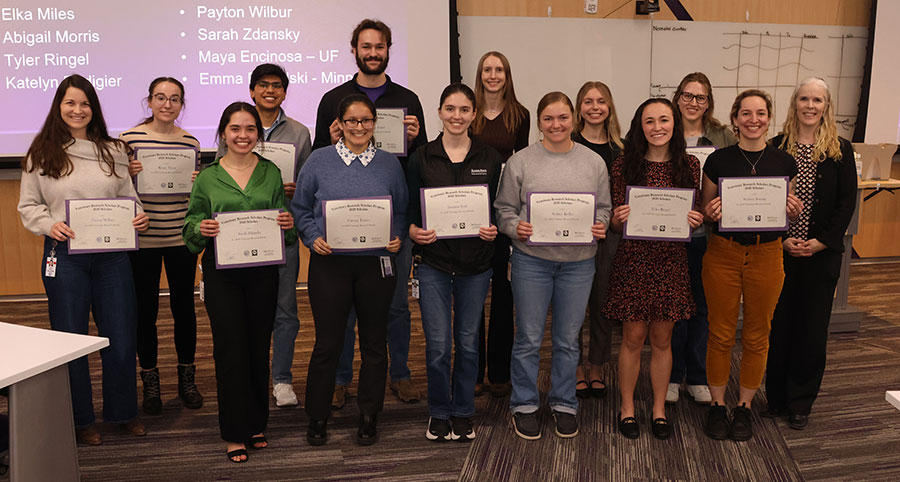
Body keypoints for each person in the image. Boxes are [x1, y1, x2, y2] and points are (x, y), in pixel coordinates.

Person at [17, 74, 149, 445]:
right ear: (59, 107)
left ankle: (123, 413)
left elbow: (128, 197)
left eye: (85, 103)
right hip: (66, 258)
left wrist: (140, 215)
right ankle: (80, 420)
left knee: (122, 338)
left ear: (94, 109)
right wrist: (48, 224)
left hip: (112, 258)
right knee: (70, 339)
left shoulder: (113, 150)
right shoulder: (40, 153)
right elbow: (29, 205)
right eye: (71, 103)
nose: (78, 110)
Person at [313, 19, 427, 407]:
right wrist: (331, 141)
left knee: (395, 306)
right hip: (341, 227)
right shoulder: (333, 99)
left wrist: (412, 141)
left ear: (388, 49)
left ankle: (400, 374)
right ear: (355, 50)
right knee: (342, 310)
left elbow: (422, 162)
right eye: (366, 46)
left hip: (392, 225)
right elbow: (316, 157)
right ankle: (341, 379)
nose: (373, 52)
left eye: (379, 46)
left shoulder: (408, 98)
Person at [183, 102, 296, 463]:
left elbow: (284, 218)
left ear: (258, 134)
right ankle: (234, 431)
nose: (243, 135)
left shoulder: (271, 172)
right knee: (230, 349)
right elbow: (191, 224)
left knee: (258, 346)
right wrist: (201, 228)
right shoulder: (207, 177)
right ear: (223, 133)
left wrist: (287, 225)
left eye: (250, 129)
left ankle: (256, 423)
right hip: (223, 275)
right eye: (235, 129)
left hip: (263, 272)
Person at [495, 92, 611, 440]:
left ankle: (564, 403)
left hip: (578, 265)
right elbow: (503, 210)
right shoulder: (521, 162)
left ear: (573, 120)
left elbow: (603, 207)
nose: (556, 125)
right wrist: (517, 227)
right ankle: (525, 404)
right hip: (532, 262)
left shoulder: (593, 162)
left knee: (567, 341)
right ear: (539, 122)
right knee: (529, 338)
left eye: (562, 118)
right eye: (548, 119)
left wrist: (600, 224)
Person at [295, 94, 407, 446]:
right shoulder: (319, 160)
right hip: (330, 264)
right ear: (339, 124)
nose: (359, 128)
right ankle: (317, 416)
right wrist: (312, 238)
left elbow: (401, 210)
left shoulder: (389, 164)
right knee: (328, 343)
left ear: (375, 123)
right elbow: (301, 208)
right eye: (352, 121)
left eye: (366, 121)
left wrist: (397, 237)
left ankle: (369, 413)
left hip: (377, 264)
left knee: (375, 342)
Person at [700, 89, 803, 442]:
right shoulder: (718, 160)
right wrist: (711, 213)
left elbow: (786, 208)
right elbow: (705, 209)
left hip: (767, 254)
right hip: (723, 254)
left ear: (769, 118)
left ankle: (743, 406)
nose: (753, 120)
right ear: (735, 119)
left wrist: (793, 210)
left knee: (759, 334)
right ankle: (717, 404)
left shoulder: (784, 162)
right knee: (721, 332)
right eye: (746, 113)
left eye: (760, 113)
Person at [407, 83, 503, 442]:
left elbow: (497, 207)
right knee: (437, 346)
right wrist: (415, 231)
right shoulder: (422, 157)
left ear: (474, 115)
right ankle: (438, 412)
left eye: (464, 110)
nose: (457, 116)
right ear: (440, 112)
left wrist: (493, 229)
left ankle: (463, 412)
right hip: (433, 263)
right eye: (450, 109)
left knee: (467, 342)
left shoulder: (489, 158)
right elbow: (409, 212)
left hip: (476, 266)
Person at [605, 98, 703, 440]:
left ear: (675, 124)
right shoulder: (623, 166)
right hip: (634, 261)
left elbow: (695, 214)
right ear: (639, 126)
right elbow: (616, 226)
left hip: (671, 262)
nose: (657, 127)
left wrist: (695, 218)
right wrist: (618, 220)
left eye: (664, 120)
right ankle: (628, 407)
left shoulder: (689, 165)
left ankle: (659, 408)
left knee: (663, 340)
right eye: (650, 121)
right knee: (632, 338)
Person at [216, 63, 313, 408]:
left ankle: (282, 378)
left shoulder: (300, 132)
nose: (270, 90)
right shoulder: (236, 126)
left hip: (279, 233)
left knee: (285, 311)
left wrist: (295, 187)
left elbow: (309, 185)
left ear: (285, 92)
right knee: (243, 314)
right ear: (252, 90)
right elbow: (220, 175)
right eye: (263, 85)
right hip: (237, 239)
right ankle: (249, 375)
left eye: (277, 85)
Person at [764, 78, 857, 429]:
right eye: (804, 98)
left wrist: (822, 241)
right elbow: (766, 199)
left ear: (826, 105)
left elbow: (847, 201)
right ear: (795, 103)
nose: (810, 105)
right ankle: (776, 398)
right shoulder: (776, 147)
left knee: (812, 329)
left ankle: (801, 402)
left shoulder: (840, 150)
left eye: (817, 99)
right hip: (781, 252)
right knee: (781, 325)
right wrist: (782, 237)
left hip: (821, 254)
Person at [120, 77, 203, 415]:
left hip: (180, 236)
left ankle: (187, 378)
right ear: (149, 101)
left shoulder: (191, 142)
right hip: (143, 238)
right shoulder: (128, 140)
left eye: (175, 99)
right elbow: (115, 186)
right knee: (145, 310)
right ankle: (150, 381)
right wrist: (125, 172)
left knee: (184, 309)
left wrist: (198, 182)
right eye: (160, 98)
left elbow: (194, 195)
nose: (167, 104)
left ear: (182, 104)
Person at [666, 72, 737, 405]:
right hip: (668, 234)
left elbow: (734, 179)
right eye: (688, 95)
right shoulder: (663, 129)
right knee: (672, 307)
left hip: (707, 235)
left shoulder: (722, 136)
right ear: (678, 96)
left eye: (701, 97)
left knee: (702, 307)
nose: (693, 103)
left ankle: (696, 376)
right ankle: (671, 375)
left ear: (709, 102)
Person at [470, 51, 529, 398]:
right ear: (480, 75)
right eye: (488, 70)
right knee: (474, 293)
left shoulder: (519, 115)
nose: (493, 75)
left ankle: (500, 371)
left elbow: (520, 166)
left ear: (507, 75)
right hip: (473, 214)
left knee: (504, 292)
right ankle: (474, 370)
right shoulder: (469, 111)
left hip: (505, 212)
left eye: (500, 70)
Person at [571, 81, 625, 400]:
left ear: (609, 107)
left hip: (610, 237)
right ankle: (576, 367)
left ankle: (596, 367)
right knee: (574, 307)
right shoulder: (567, 143)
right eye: (588, 101)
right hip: (574, 238)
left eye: (601, 101)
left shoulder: (623, 148)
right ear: (579, 108)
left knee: (603, 305)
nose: (595, 107)